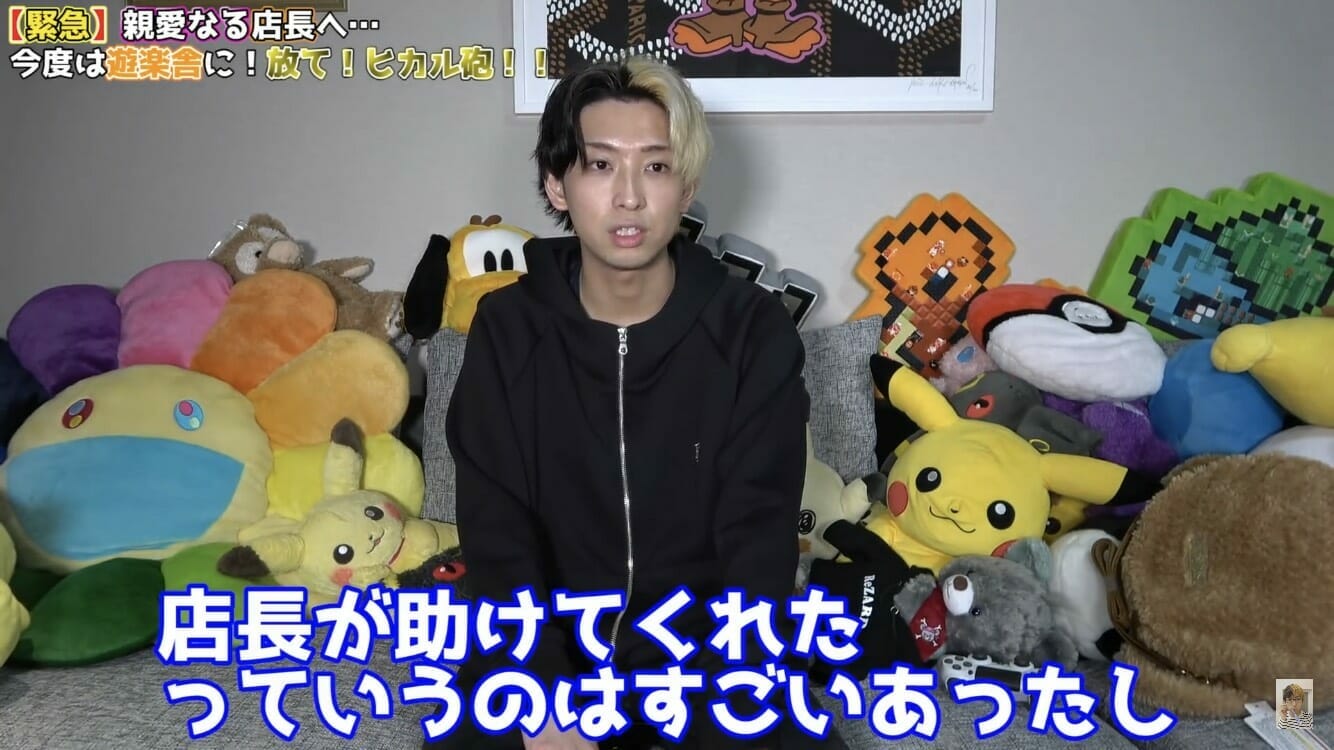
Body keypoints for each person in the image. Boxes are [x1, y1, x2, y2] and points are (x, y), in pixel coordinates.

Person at [425, 55, 826, 749]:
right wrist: (541, 698)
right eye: (601, 165)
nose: (630, 197)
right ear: (557, 184)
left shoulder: (751, 331)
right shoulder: (507, 329)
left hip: (708, 666)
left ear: (686, 185)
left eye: (657, 166)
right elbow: (497, 532)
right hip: (545, 653)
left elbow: (757, 546)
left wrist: (727, 696)